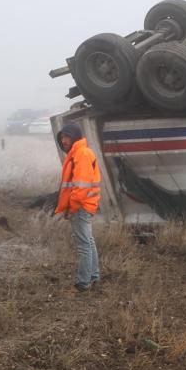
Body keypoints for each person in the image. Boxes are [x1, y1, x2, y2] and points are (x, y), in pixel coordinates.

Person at [54, 123, 101, 292]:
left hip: (80, 207)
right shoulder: (79, 153)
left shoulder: (80, 154)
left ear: (75, 137)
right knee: (88, 242)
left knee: (83, 245)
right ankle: (94, 277)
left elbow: (80, 187)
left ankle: (83, 283)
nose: (64, 140)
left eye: (67, 137)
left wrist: (71, 208)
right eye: (62, 137)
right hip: (84, 206)